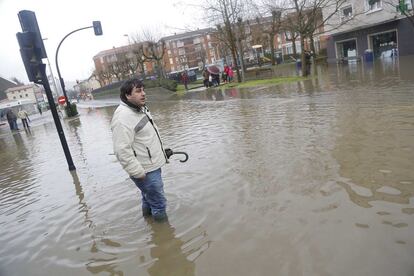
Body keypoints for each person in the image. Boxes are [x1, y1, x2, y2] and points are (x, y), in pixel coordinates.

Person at [111, 78, 169, 222]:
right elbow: (121, 150)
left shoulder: (139, 109)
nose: (143, 93)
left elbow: (146, 138)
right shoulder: (122, 117)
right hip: (145, 171)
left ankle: (149, 226)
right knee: (159, 204)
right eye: (138, 91)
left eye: (143, 90)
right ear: (127, 95)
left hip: (150, 166)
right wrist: (137, 172)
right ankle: (164, 237)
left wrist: (163, 152)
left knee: (147, 198)